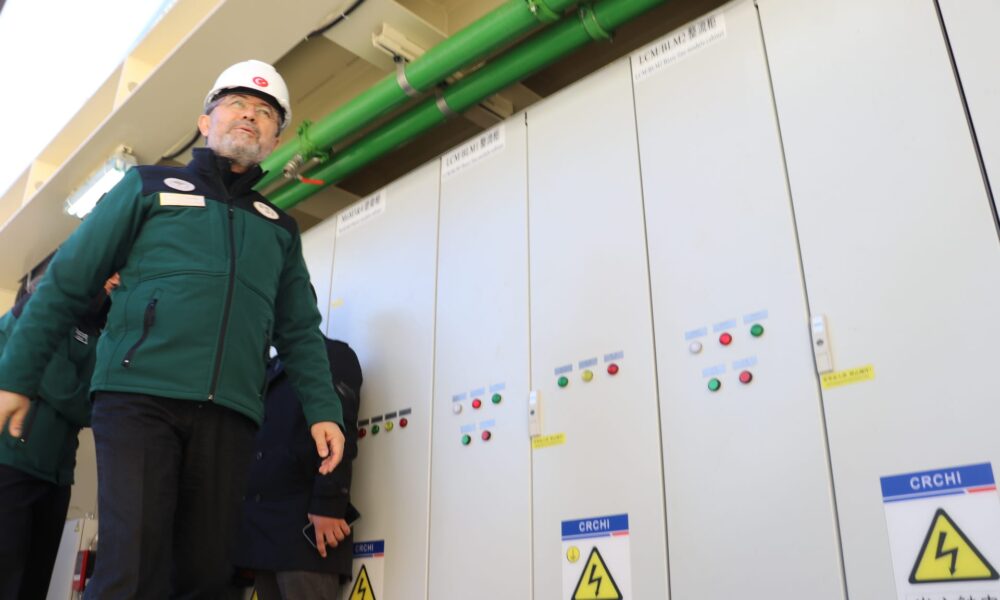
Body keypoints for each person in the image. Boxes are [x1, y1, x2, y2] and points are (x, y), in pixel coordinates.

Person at [0, 59, 346, 598]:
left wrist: (324, 410)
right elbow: (66, 284)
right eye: (236, 105)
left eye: (264, 113)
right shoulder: (147, 187)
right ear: (205, 122)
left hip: (231, 414)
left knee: (206, 576)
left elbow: (299, 330)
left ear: (275, 140)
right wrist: (16, 378)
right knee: (132, 569)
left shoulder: (279, 229)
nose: (249, 116)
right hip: (139, 400)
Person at [0, 255, 116, 599]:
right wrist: (97, 408)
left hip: (57, 475)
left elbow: (93, 394)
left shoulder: (99, 328)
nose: (115, 281)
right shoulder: (39, 309)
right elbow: (62, 388)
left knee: (34, 584)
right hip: (12, 465)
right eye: (111, 271)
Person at [233, 336, 362, 600]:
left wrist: (328, 505)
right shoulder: (269, 369)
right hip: (263, 532)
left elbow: (341, 433)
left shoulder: (331, 354)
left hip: (306, 528)